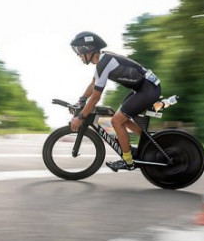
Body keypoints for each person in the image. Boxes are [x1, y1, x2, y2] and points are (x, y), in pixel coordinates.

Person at [69, 31, 161, 172]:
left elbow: (95, 97)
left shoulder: (104, 63)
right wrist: (81, 100)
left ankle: (128, 161)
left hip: (148, 89)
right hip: (144, 88)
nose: (79, 56)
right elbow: (93, 84)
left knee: (116, 121)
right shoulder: (102, 61)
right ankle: (148, 144)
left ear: (88, 50)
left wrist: (81, 117)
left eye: (80, 53)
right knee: (120, 118)